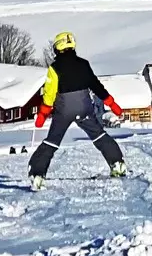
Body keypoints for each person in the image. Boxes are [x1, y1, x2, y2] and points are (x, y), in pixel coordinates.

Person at [29, 31, 129, 189]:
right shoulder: (84, 64)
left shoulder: (54, 68)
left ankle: (37, 174)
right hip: (84, 108)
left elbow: (49, 94)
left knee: (52, 141)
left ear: (57, 47)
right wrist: (112, 104)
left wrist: (43, 114)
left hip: (64, 110)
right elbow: (96, 86)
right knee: (99, 135)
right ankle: (117, 163)